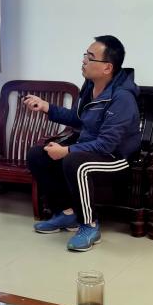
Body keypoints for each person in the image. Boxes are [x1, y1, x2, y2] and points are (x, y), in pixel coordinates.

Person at [22, 35, 140, 251]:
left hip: (117, 158)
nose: (84, 60)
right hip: (89, 150)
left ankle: (89, 225)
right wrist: (46, 107)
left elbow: (106, 145)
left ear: (107, 67)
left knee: (75, 162)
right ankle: (66, 214)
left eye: (90, 57)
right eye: (85, 55)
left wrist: (67, 150)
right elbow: (78, 118)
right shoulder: (89, 87)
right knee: (37, 155)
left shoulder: (122, 97)